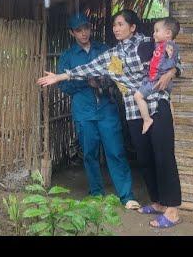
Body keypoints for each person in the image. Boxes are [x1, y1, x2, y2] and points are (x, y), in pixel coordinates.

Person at [38, 9, 183, 228]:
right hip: (134, 111)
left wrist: (172, 72)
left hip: (156, 105)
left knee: (163, 157)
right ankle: (158, 203)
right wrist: (60, 76)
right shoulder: (112, 54)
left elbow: (174, 57)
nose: (116, 29)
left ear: (132, 27)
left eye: (121, 24)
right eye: (114, 25)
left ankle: (172, 210)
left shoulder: (146, 43)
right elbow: (88, 68)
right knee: (145, 158)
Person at [57, 13, 139, 210]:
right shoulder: (67, 56)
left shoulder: (105, 50)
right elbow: (63, 86)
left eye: (86, 28)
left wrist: (102, 82)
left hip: (107, 108)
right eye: (78, 30)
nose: (83, 33)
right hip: (83, 110)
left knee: (116, 152)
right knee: (90, 154)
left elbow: (118, 75)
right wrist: (86, 83)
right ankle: (96, 193)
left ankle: (126, 196)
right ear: (72, 33)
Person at [134, 17, 180, 135]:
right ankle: (171, 123)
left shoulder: (169, 45)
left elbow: (173, 61)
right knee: (167, 99)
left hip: (157, 79)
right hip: (155, 78)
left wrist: (168, 69)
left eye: (157, 31)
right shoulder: (158, 45)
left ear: (168, 33)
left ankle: (147, 119)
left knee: (138, 96)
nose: (154, 34)